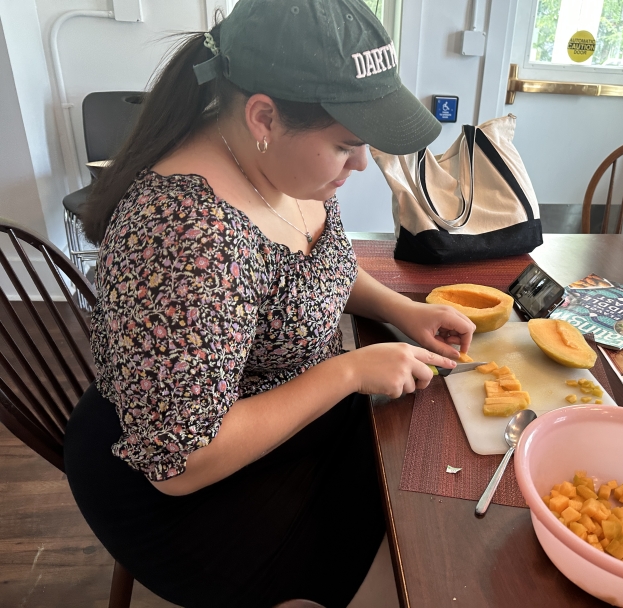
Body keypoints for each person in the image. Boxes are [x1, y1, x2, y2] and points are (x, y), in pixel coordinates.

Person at [64, 1, 475, 606]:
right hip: (180, 485)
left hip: (277, 412)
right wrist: (350, 370)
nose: (361, 164)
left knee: (415, 473)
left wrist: (402, 310)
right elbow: (180, 464)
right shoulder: (187, 237)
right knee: (407, 530)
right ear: (264, 115)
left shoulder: (281, 165)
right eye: (346, 145)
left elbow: (313, 266)